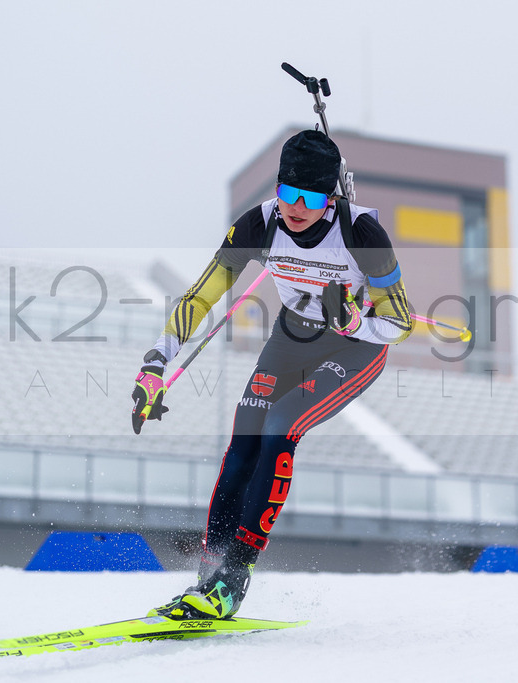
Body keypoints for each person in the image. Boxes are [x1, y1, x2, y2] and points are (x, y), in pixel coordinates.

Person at [131, 130, 412, 619]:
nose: (295, 207)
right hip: (292, 336)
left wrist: (353, 321)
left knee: (281, 424)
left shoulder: (363, 236)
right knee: (245, 435)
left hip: (356, 347)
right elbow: (200, 297)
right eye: (287, 193)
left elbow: (400, 324)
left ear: (332, 198)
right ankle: (210, 574)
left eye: (310, 197)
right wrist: (156, 362)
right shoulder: (259, 225)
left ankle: (233, 581)